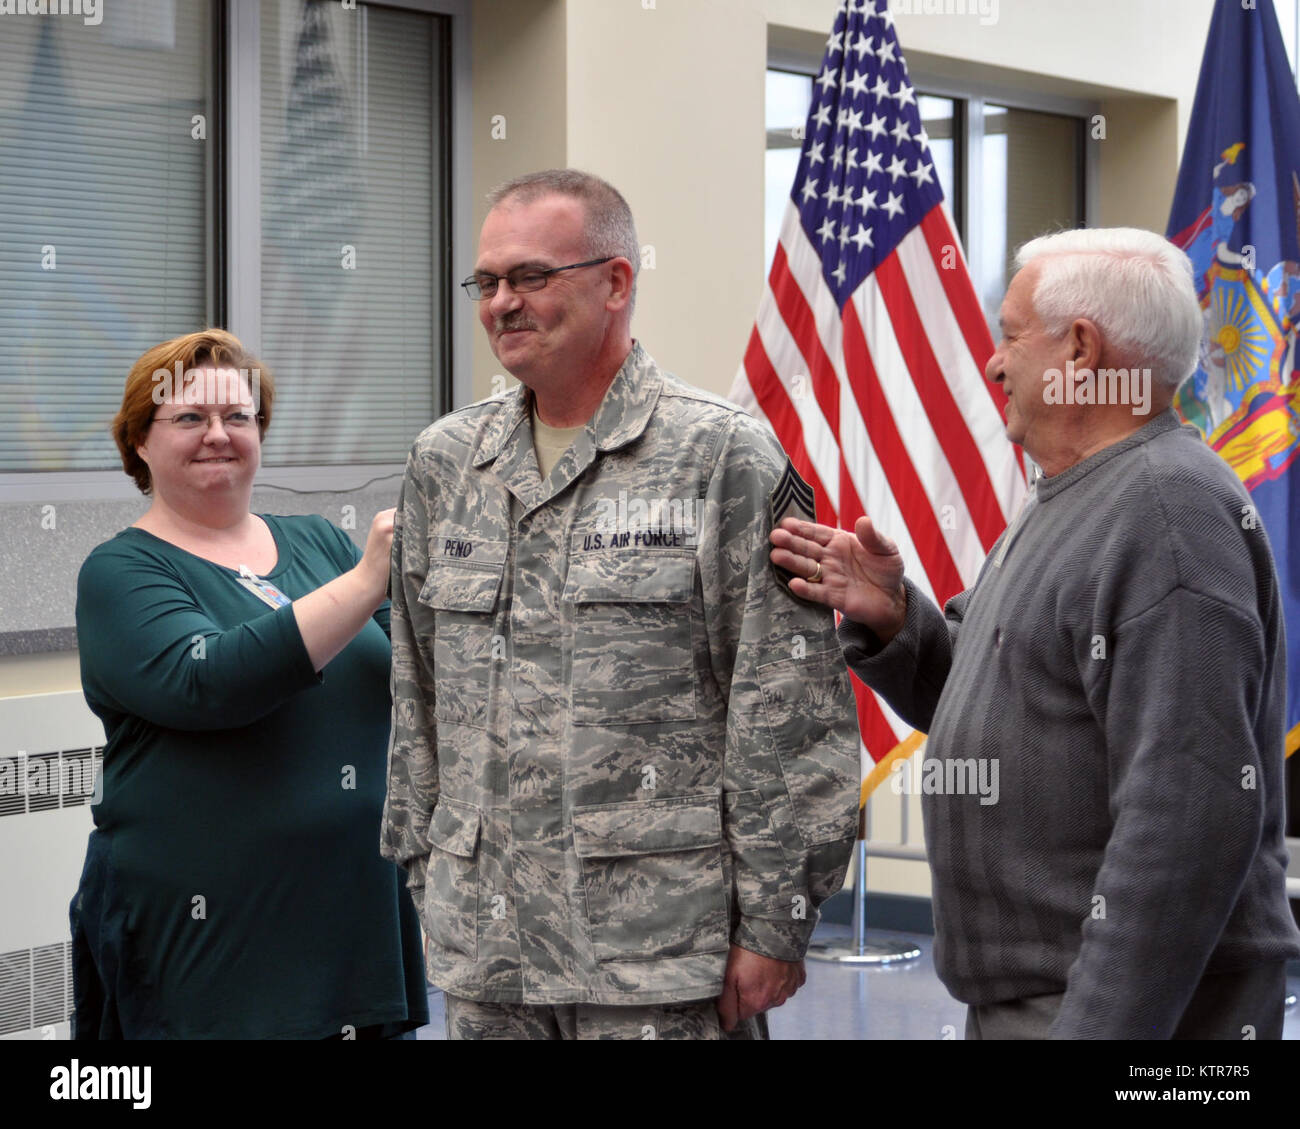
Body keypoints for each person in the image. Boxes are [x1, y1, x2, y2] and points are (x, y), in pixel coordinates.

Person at [770, 227, 1300, 1039]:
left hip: (1131, 1015)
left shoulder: (1165, 512)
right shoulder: (1078, 495)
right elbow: (1008, 703)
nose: (992, 363)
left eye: (1010, 335)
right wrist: (897, 617)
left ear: (1082, 349)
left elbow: (1185, 819)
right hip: (1046, 1002)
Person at [381, 169, 860, 1040]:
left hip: (658, 952)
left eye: (531, 277)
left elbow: (785, 707)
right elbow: (415, 698)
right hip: (488, 947)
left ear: (617, 281)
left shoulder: (722, 455)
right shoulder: (446, 462)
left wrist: (777, 919)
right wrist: (425, 872)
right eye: (486, 282)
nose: (501, 304)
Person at [71, 329, 428, 1039]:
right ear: (139, 441)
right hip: (207, 938)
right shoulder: (119, 572)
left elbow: (421, 671)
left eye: (238, 416)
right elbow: (210, 679)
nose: (218, 434)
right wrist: (364, 582)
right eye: (189, 417)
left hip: (354, 915)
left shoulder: (320, 541)